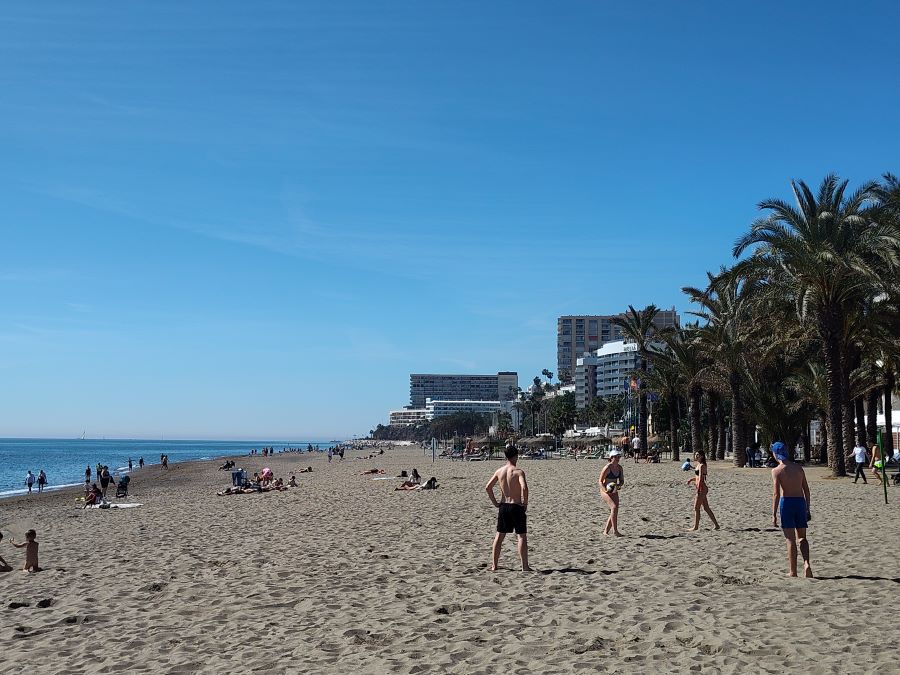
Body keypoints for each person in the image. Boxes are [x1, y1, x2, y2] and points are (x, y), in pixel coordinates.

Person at [485, 444, 531, 572]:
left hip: (504, 506)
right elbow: (524, 488)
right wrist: (525, 503)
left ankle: (494, 565)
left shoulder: (499, 471)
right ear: (516, 456)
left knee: (499, 536)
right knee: (521, 536)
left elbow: (488, 487)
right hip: (516, 506)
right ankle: (524, 566)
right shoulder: (518, 472)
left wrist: (495, 503)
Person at [771, 441, 813, 578]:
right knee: (802, 537)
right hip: (800, 502)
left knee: (790, 539)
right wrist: (807, 508)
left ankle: (793, 571)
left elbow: (776, 494)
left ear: (775, 454)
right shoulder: (798, 468)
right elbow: (806, 490)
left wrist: (774, 514)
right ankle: (806, 563)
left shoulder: (777, 471)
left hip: (787, 503)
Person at [686, 451, 720, 531]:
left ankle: (695, 527)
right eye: (696, 454)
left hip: (702, 488)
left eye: (698, 455)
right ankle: (716, 525)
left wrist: (698, 489)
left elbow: (701, 478)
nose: (696, 456)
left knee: (696, 507)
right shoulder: (698, 465)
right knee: (706, 508)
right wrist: (691, 479)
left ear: (702, 456)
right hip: (701, 488)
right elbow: (697, 477)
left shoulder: (702, 466)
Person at [599, 449, 624, 536]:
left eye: (619, 457)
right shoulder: (607, 468)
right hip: (605, 490)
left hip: (614, 489)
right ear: (611, 458)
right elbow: (600, 481)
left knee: (615, 509)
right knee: (613, 507)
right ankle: (615, 531)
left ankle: (605, 531)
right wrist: (605, 490)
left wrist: (619, 485)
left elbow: (621, 480)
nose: (618, 458)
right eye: (616, 457)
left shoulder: (620, 468)